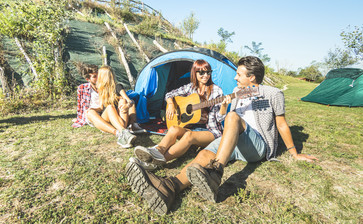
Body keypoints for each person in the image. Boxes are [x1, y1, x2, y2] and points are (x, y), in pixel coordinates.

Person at [125, 56, 318, 215]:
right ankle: (170, 187)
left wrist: (294, 153)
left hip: (257, 144)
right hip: (233, 140)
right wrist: (224, 106)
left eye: (239, 74)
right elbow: (225, 117)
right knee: (203, 156)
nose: (235, 78)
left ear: (251, 77)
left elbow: (281, 124)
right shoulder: (236, 92)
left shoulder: (272, 93)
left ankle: (216, 171)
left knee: (234, 118)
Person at [132, 59, 228, 170]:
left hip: (210, 131)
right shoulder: (191, 87)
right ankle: (158, 150)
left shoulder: (217, 91)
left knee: (189, 136)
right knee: (173, 129)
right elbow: (169, 94)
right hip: (192, 126)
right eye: (201, 72)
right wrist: (171, 104)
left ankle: (153, 163)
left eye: (208, 72)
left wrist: (224, 106)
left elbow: (219, 118)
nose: (205, 75)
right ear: (194, 73)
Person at [72, 65, 144, 148]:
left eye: (98, 75)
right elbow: (97, 107)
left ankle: (123, 132)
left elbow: (129, 100)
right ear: (88, 79)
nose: (98, 78)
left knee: (117, 104)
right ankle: (122, 132)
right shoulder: (92, 89)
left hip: (114, 115)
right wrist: (90, 111)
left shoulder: (114, 87)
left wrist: (127, 105)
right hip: (102, 115)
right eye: (95, 76)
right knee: (94, 111)